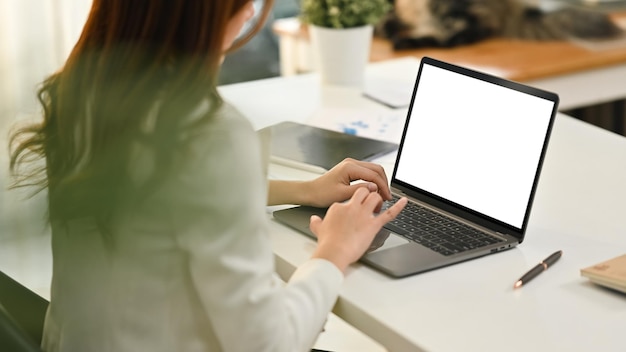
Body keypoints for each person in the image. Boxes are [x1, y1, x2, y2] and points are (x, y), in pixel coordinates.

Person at [8, 1, 407, 351]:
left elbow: (161, 193)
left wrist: (306, 189)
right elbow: (271, 344)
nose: (250, 11)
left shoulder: (85, 87)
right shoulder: (205, 131)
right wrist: (335, 250)